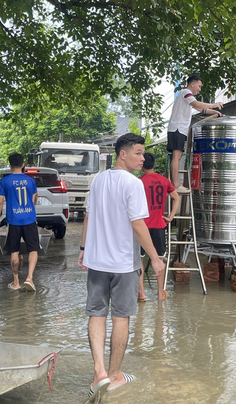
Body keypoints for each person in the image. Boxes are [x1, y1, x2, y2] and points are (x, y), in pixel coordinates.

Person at [78, 133, 165, 400]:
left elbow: (88, 217)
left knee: (96, 314)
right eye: (138, 153)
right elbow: (138, 225)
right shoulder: (133, 184)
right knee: (120, 318)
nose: (143, 158)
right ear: (123, 154)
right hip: (124, 264)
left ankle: (99, 372)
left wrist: (83, 250)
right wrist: (156, 258)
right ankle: (114, 375)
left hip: (97, 262)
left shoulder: (98, 181)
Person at [167, 74, 223, 191]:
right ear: (192, 84)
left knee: (178, 156)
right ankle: (175, 185)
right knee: (176, 156)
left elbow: (200, 109)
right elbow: (197, 104)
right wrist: (214, 104)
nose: (199, 89)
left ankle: (175, 183)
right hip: (177, 128)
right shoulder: (185, 92)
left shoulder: (187, 97)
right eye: (199, 86)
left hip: (179, 129)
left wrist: (214, 111)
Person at [138, 152, 180, 302]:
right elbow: (177, 198)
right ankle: (161, 292)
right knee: (159, 259)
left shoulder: (139, 181)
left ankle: (141, 293)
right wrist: (170, 217)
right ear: (154, 164)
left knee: (140, 260)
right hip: (159, 225)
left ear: (142, 166)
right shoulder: (164, 180)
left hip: (142, 226)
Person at [0, 153, 38, 291]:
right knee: (33, 249)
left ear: (10, 165)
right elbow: (34, 199)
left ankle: (16, 282)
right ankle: (30, 278)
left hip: (14, 220)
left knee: (14, 250)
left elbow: (0, 202)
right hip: (29, 219)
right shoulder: (30, 181)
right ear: (23, 165)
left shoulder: (5, 181)